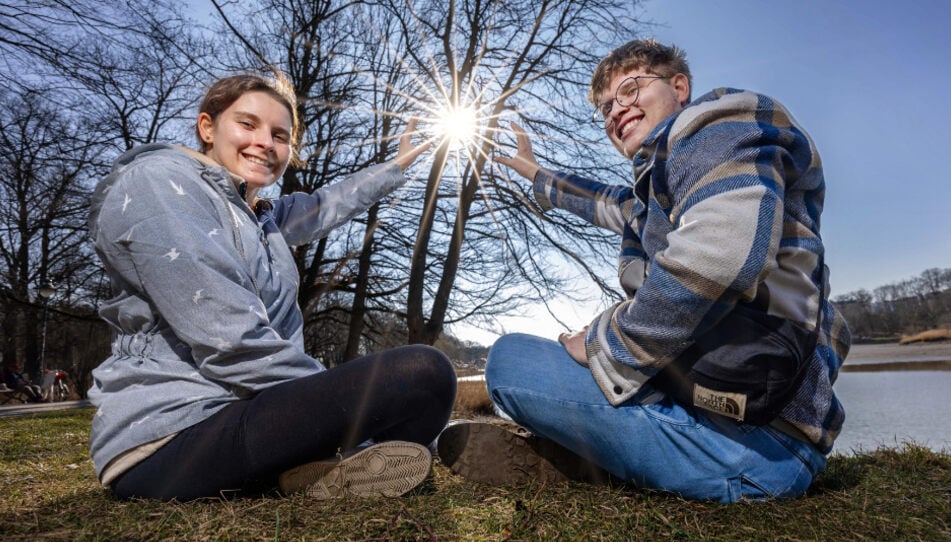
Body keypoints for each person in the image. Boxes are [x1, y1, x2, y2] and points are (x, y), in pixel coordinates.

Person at [438, 39, 851, 502]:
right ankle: (603, 456)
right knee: (522, 361)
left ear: (679, 86)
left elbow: (719, 256)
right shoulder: (658, 190)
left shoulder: (718, 125)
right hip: (736, 418)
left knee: (511, 363)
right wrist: (535, 174)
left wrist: (605, 342)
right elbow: (601, 203)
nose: (616, 109)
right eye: (606, 106)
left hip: (756, 442)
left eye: (631, 89)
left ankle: (602, 458)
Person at [88, 72, 457, 501]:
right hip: (171, 439)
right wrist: (338, 402)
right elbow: (231, 341)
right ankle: (361, 454)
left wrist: (396, 166)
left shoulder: (257, 215)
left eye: (280, 136)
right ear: (207, 127)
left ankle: (325, 470)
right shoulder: (160, 183)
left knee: (424, 388)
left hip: (244, 416)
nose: (266, 142)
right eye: (248, 124)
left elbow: (324, 207)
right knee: (421, 374)